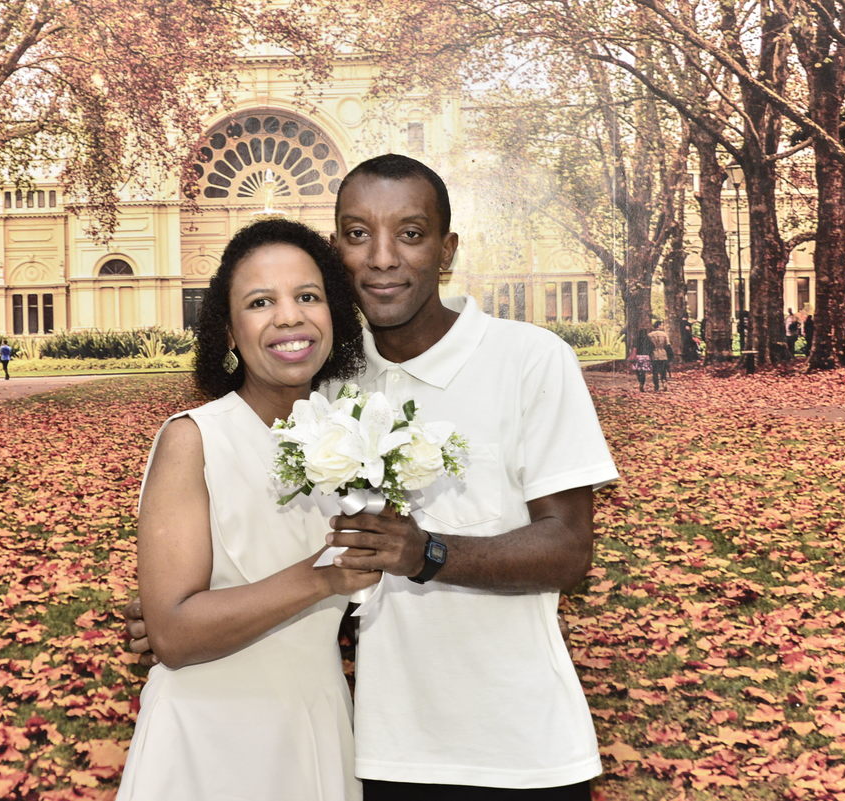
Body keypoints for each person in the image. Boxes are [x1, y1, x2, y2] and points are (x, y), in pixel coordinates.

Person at [128, 155, 618, 800]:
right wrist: (184, 616)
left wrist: (428, 553)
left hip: (520, 749)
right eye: (359, 235)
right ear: (338, 252)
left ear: (447, 250)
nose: (383, 258)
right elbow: (288, 543)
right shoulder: (328, 389)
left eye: (410, 234)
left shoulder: (530, 359)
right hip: (381, 752)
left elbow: (570, 550)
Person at [115, 219, 374, 801]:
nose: (289, 317)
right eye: (261, 302)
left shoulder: (356, 440)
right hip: (208, 738)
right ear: (229, 331)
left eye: (307, 296)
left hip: (317, 724)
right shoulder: (194, 439)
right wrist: (326, 575)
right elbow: (174, 635)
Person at [648, 320, 671, 390]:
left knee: (655, 371)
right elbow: (668, 345)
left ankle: (656, 385)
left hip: (654, 354)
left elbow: (648, 345)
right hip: (663, 354)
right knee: (663, 370)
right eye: (661, 325)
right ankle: (664, 382)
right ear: (659, 326)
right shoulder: (664, 334)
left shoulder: (650, 335)